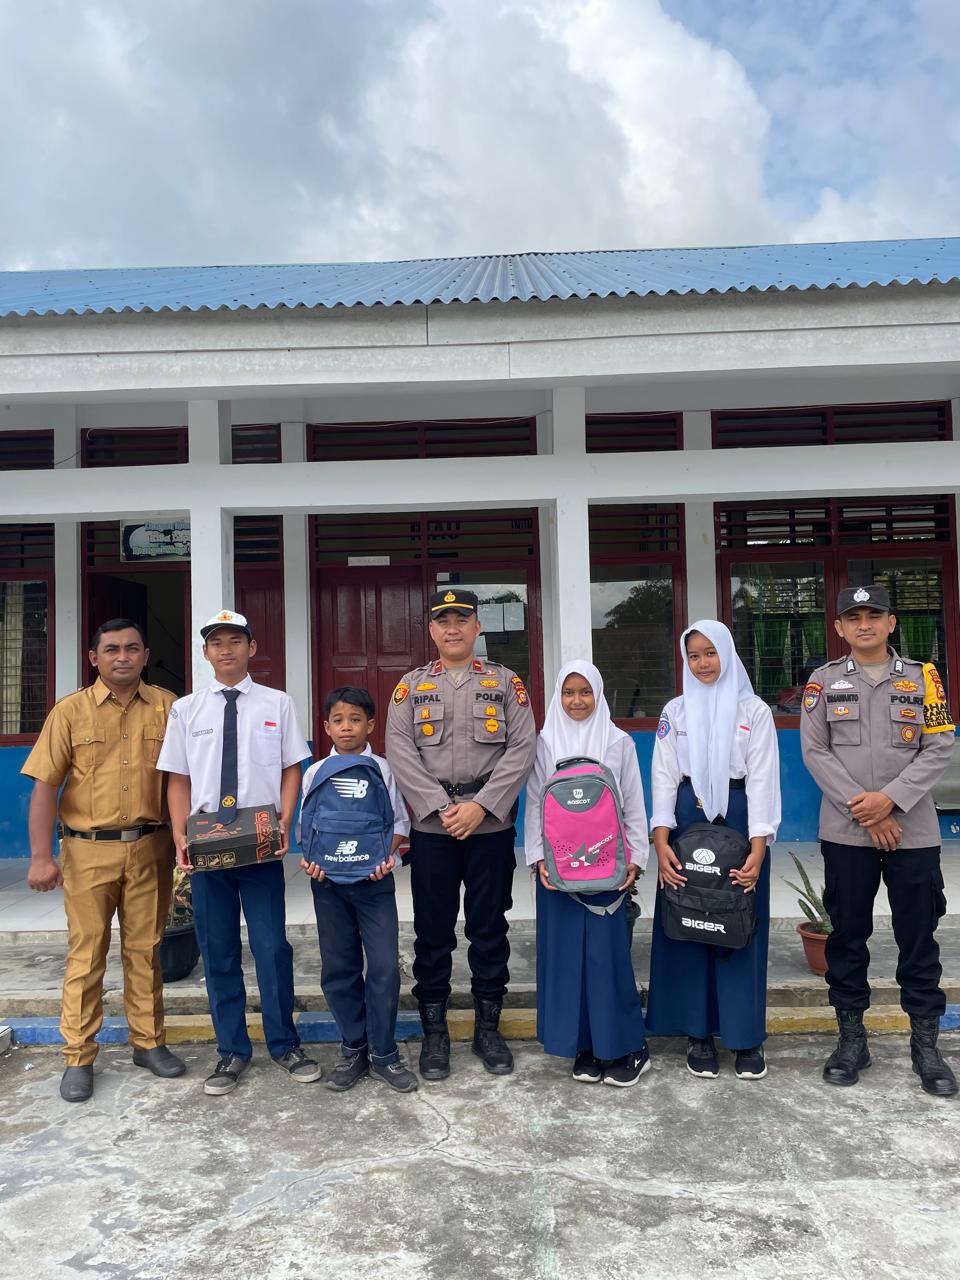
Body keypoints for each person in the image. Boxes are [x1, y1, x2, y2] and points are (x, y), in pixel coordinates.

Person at [800, 584, 957, 1097]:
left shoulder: (925, 677)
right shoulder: (823, 682)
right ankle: (851, 1041)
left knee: (919, 936)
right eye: (854, 617)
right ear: (839, 628)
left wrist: (889, 800)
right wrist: (866, 812)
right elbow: (816, 752)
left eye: (874, 615)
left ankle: (925, 1047)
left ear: (891, 623)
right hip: (847, 832)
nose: (864, 624)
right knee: (847, 936)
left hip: (912, 830)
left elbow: (939, 746)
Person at [22, 618, 186, 1103]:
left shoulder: (169, 707)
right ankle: (78, 1056)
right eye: (112, 649)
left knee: (145, 950)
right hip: (87, 849)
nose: (123, 657)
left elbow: (182, 779)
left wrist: (186, 839)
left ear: (145, 655)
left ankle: (148, 1043)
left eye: (132, 648)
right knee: (87, 952)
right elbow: (46, 786)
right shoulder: (69, 712)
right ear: (94, 657)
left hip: (151, 846)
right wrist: (40, 857)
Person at [157, 609, 320, 1096]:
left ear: (252, 647)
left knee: (271, 947)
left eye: (235, 640)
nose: (226, 649)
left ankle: (285, 1044)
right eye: (216, 642)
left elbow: (292, 767)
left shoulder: (277, 702)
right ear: (205, 652)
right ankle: (231, 1049)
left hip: (260, 842)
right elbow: (178, 778)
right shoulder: (186, 710)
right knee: (219, 949)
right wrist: (179, 835)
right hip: (207, 846)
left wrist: (286, 819)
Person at [385, 588, 537, 1080]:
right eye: (443, 620)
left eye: (462, 619)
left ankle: (487, 1029)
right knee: (432, 932)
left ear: (477, 627)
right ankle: (435, 1033)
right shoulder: (410, 687)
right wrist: (440, 806)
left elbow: (523, 747)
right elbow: (399, 749)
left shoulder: (506, 682)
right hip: (433, 829)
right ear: (431, 630)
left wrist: (482, 806)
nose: (452, 628)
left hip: (489, 827)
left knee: (489, 928)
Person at [645, 620, 781, 1080]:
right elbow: (663, 776)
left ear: (727, 653)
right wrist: (660, 841)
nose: (703, 663)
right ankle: (697, 1034)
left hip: (741, 820)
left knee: (740, 923)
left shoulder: (753, 711)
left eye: (710, 653)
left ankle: (744, 1038)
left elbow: (763, 779)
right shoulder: (676, 711)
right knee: (689, 918)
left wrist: (759, 848)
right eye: (694, 655)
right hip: (687, 818)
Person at [523, 662, 651, 1086]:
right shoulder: (544, 742)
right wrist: (538, 858)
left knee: (606, 959)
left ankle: (627, 1047)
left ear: (599, 694)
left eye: (585, 692)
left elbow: (632, 801)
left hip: (607, 866)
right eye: (568, 692)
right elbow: (535, 803)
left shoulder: (618, 742)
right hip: (559, 869)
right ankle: (584, 1046)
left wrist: (636, 857)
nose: (576, 701)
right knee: (567, 960)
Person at [300, 685, 417, 1093]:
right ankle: (353, 1048)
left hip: (374, 883)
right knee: (338, 968)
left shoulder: (385, 770)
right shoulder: (314, 772)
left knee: (384, 967)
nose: (346, 727)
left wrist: (384, 857)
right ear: (326, 727)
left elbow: (400, 823)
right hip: (328, 884)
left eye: (355, 719)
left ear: (371, 724)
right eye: (338, 720)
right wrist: (311, 860)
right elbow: (308, 828)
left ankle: (384, 1053)